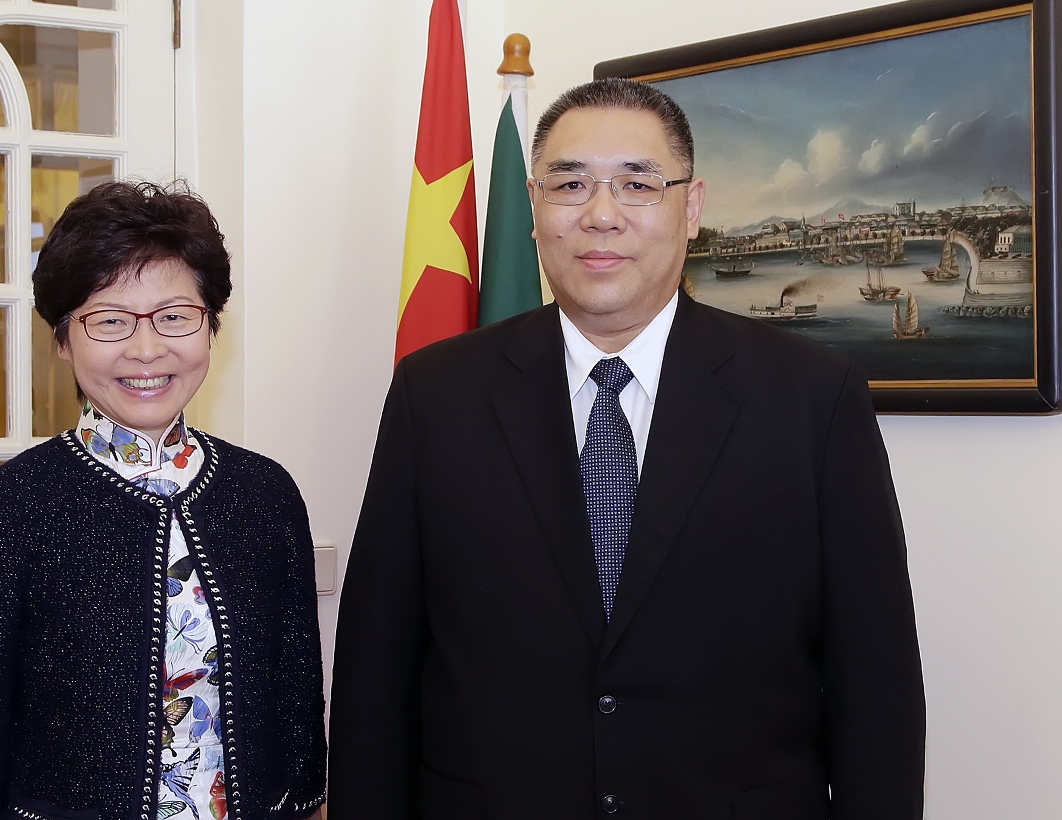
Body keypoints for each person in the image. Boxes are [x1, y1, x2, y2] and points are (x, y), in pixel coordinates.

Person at [328, 79, 925, 819]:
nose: (601, 215)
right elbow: (375, 672)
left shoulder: (811, 397)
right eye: (571, 183)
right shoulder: (437, 396)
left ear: (693, 207)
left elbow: (877, 680)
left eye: (637, 184)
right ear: (535, 207)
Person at [0, 181, 326, 820]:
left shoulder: (265, 494)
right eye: (109, 320)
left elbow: (298, 701)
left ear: (211, 326)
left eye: (174, 316)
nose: (146, 349)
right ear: (62, 339)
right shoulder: (5, 509)